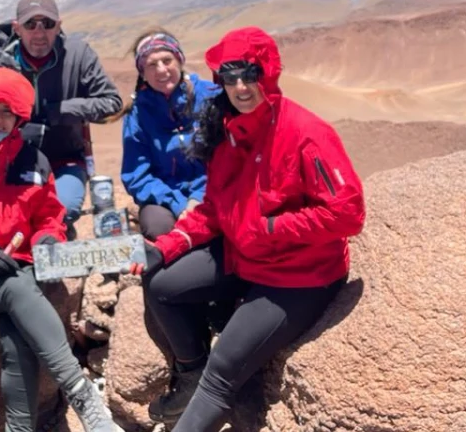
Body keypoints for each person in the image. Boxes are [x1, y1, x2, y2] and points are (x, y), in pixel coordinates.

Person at [132, 27, 365, 432]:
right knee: (161, 284)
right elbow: (215, 209)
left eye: (249, 75)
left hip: (296, 276)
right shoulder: (229, 130)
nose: (240, 87)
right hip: (244, 255)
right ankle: (189, 373)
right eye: (229, 77)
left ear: (269, 73)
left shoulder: (305, 133)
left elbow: (348, 213)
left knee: (222, 374)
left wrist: (272, 227)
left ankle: (205, 387)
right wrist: (169, 245)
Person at [0, 68, 118, 432]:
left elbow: (50, 216)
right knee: (18, 289)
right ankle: (82, 394)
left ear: (18, 119)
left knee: (18, 340)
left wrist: (47, 240)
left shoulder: (34, 161)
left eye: (6, 112)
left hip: (20, 270)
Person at [0, 0, 122, 235]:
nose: (39, 33)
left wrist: (58, 111)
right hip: (14, 161)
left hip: (65, 160)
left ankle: (57, 235)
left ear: (58, 26)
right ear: (17, 28)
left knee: (62, 208)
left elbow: (111, 102)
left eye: (47, 24)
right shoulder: (1, 64)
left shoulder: (78, 55)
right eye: (30, 24)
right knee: (14, 214)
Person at [120, 30, 219, 240]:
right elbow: (136, 175)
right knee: (158, 226)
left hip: (214, 190)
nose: (162, 70)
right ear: (142, 72)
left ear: (179, 61)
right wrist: (178, 204)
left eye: (167, 60)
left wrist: (198, 199)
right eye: (151, 65)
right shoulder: (137, 115)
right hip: (166, 198)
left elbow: (227, 158)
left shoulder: (212, 97)